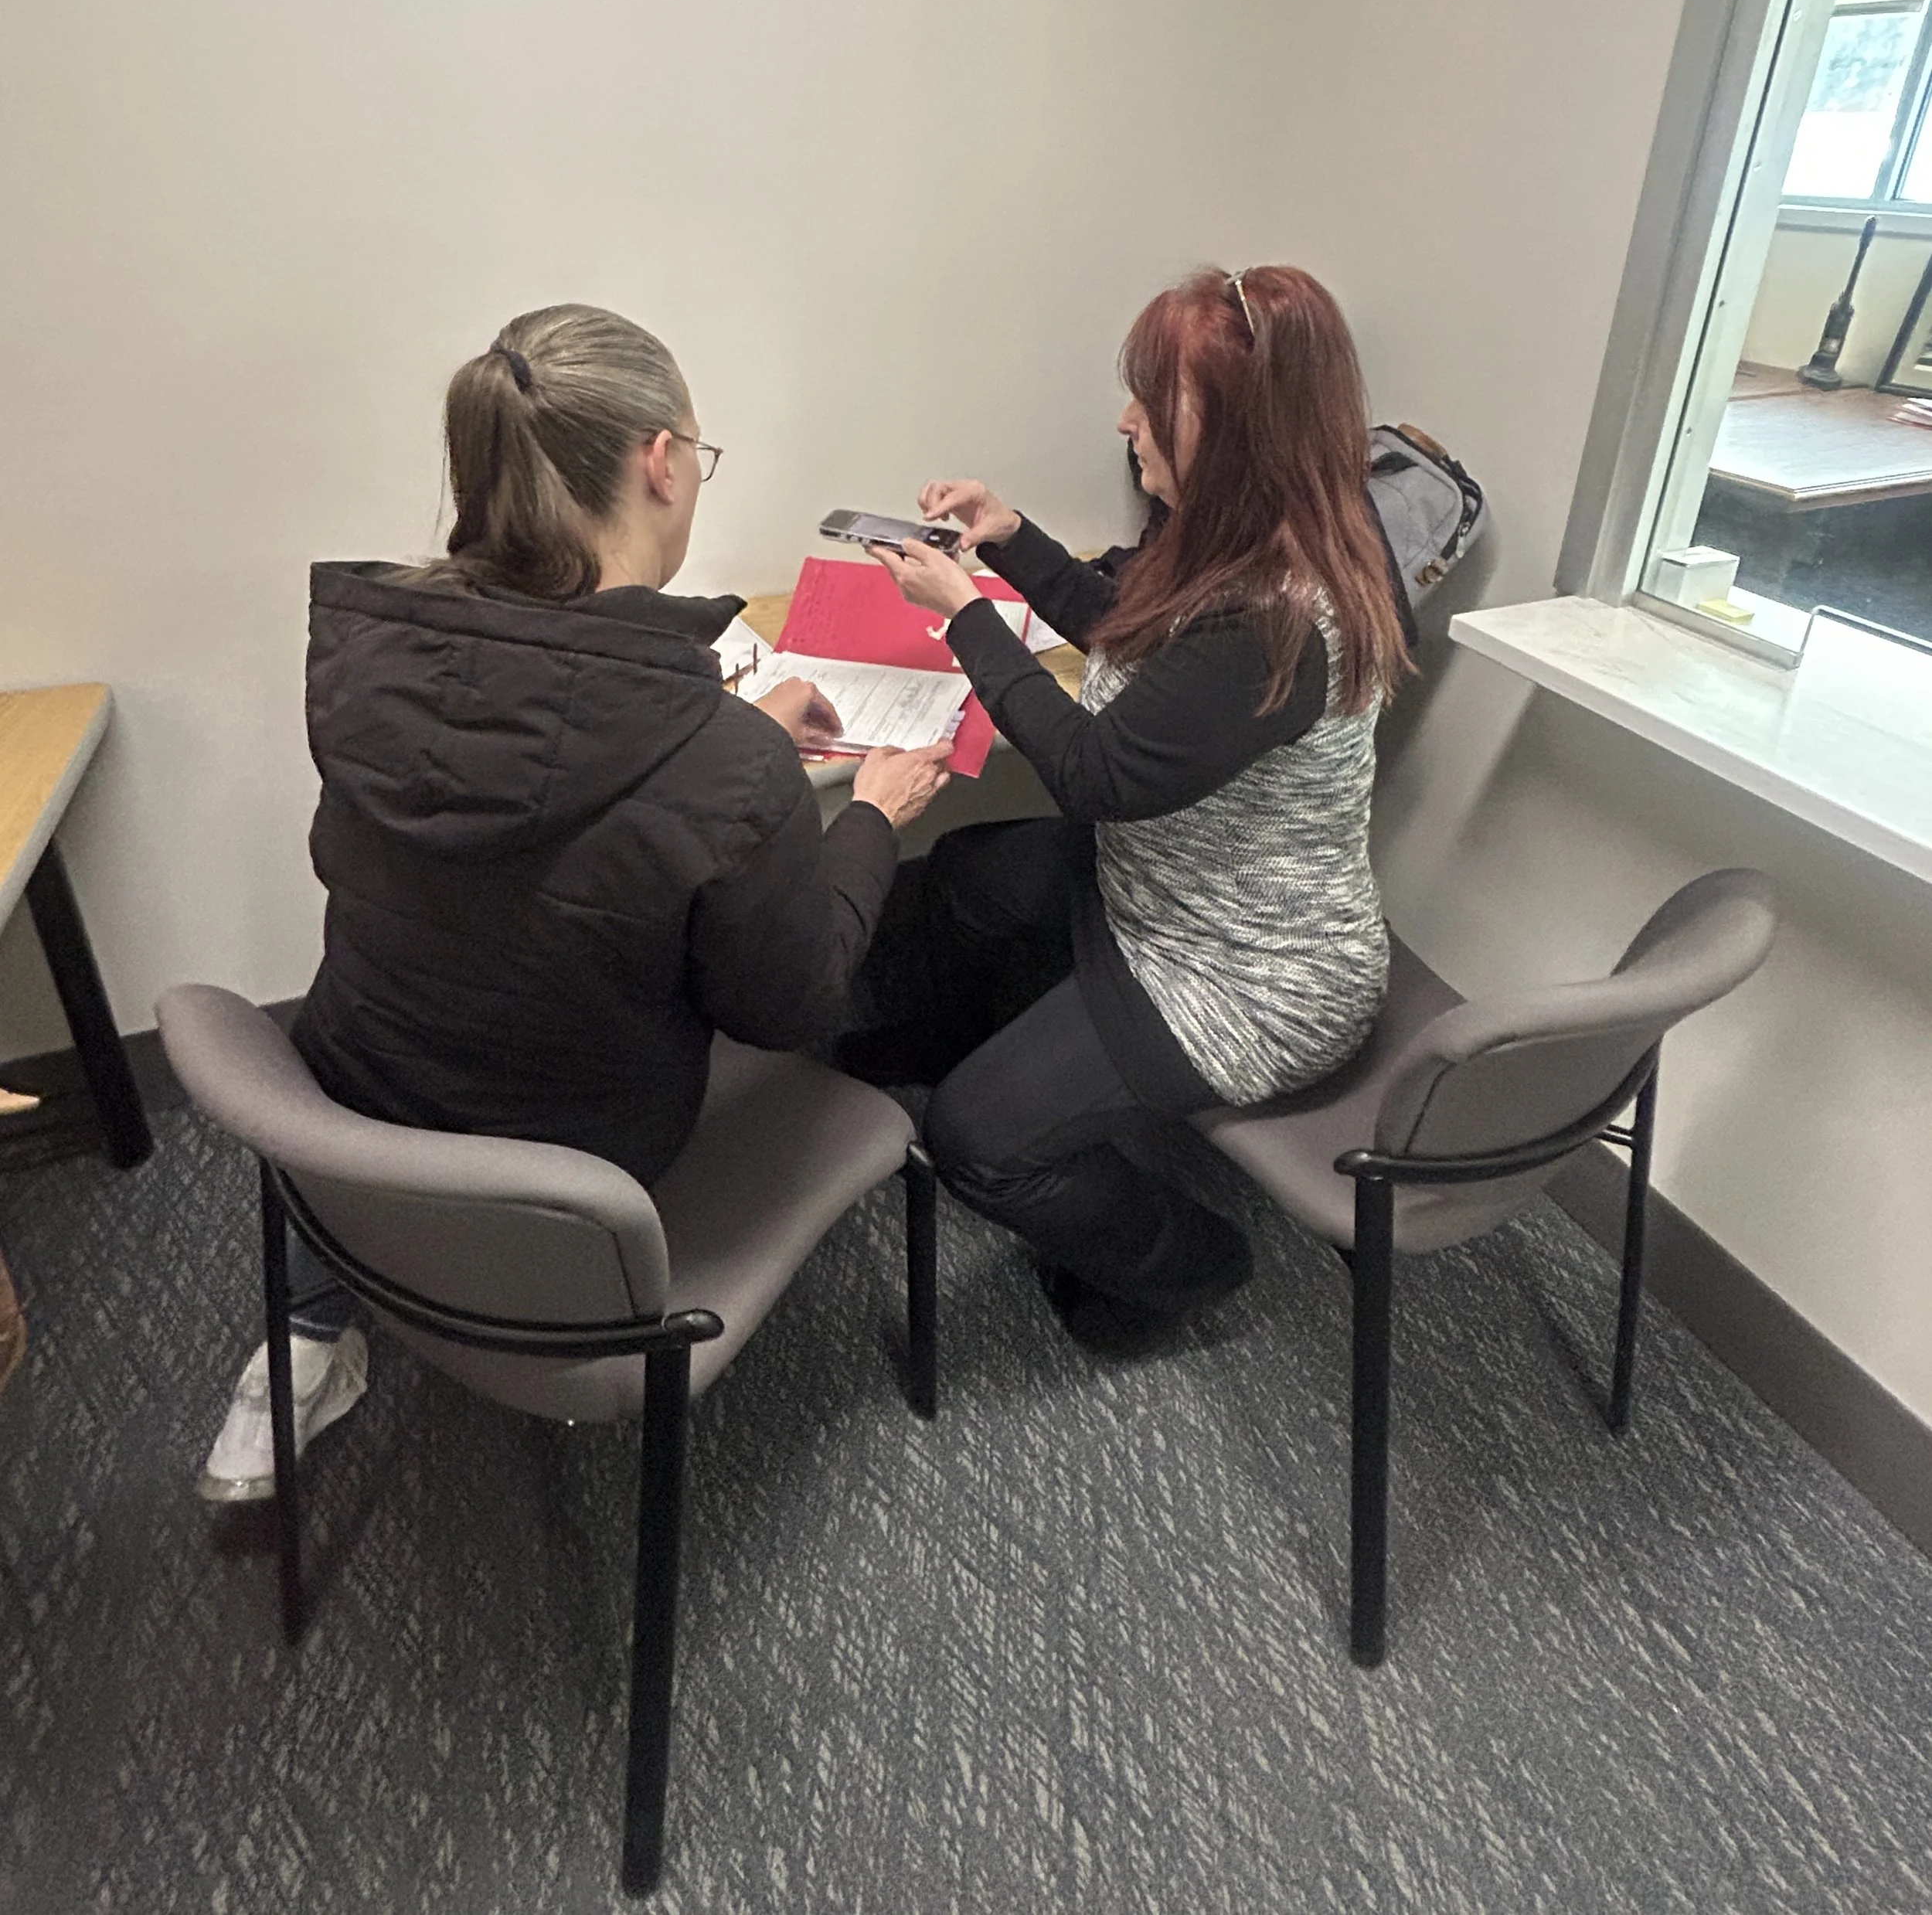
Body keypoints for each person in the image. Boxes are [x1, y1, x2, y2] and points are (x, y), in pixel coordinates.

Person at [201, 303, 951, 1502]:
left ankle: (306, 1333)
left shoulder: (373, 657)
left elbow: (523, 780)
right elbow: (790, 1000)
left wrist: (735, 751)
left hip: (352, 1129)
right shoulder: (716, 761)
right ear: (660, 461)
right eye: (698, 457)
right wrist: (867, 819)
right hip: (573, 1188)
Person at [849, 263, 1415, 1356]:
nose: (1126, 423)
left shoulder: (1279, 613)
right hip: (1163, 887)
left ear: (1237, 430)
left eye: (1152, 404)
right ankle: (957, 1048)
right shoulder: (1232, 540)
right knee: (966, 879)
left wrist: (967, 620)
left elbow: (1096, 774)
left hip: (1251, 971)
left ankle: (1195, 1264)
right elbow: (1126, 627)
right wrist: (1010, 541)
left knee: (979, 1142)